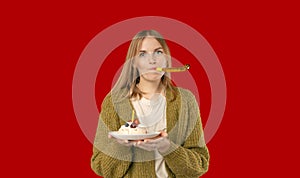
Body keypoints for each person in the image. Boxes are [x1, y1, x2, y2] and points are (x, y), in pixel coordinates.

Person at [91, 29, 209, 178]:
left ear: (166, 59)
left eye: (158, 52)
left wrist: (168, 148)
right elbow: (100, 167)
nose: (152, 60)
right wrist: (121, 145)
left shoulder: (186, 100)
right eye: (142, 54)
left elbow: (199, 165)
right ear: (134, 63)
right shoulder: (115, 101)